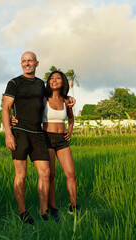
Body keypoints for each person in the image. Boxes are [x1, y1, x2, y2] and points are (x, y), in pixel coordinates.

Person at [2, 51, 75, 224]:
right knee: (21, 173)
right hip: (19, 132)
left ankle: (44, 212)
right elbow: (6, 108)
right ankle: (23, 212)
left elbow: (55, 96)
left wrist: (69, 99)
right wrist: (8, 133)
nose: (27, 63)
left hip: (38, 134)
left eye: (30, 61)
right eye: (24, 61)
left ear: (37, 63)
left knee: (46, 172)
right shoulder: (14, 83)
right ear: (21, 64)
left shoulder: (41, 85)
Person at [42, 70, 78, 220]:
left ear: (63, 82)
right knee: (51, 176)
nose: (54, 80)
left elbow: (70, 118)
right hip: (47, 139)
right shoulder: (44, 99)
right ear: (49, 82)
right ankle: (53, 208)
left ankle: (74, 206)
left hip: (62, 140)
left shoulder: (66, 101)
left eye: (58, 78)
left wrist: (70, 130)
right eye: (52, 78)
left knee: (70, 173)